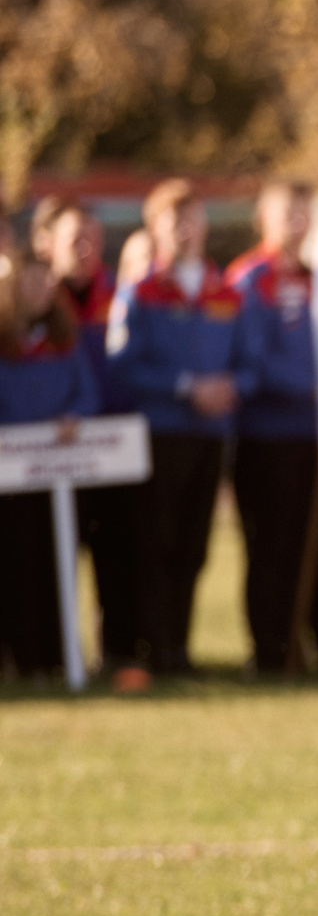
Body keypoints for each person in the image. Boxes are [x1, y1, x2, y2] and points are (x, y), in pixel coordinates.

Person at [107, 179, 251, 678]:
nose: (186, 229)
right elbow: (123, 364)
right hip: (160, 434)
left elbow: (248, 361)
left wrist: (230, 386)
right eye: (174, 221)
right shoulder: (141, 293)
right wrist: (187, 386)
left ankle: (182, 651)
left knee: (194, 545)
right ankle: (156, 648)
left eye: (193, 218)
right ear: (156, 229)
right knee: (156, 543)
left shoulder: (225, 292)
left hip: (210, 436)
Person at [228, 181, 318, 675]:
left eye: (304, 214)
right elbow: (251, 362)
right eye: (287, 213)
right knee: (270, 547)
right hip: (266, 438)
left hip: (316, 438)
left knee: (317, 548)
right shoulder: (248, 280)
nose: (297, 224)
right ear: (264, 218)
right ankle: (270, 650)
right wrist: (311, 385)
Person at [35, 197, 146, 686]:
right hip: (48, 448)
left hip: (110, 446)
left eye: (94, 240)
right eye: (74, 238)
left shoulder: (119, 297)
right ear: (46, 243)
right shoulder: (34, 299)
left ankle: (121, 653)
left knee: (120, 553)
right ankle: (51, 655)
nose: (85, 249)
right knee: (49, 556)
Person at [0, 237, 97, 677]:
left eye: (45, 282)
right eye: (29, 282)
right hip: (13, 475)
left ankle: (56, 656)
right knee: (17, 563)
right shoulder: (5, 341)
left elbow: (87, 392)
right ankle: (21, 656)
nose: (38, 291)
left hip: (57, 471)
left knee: (56, 561)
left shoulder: (64, 337)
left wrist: (75, 416)